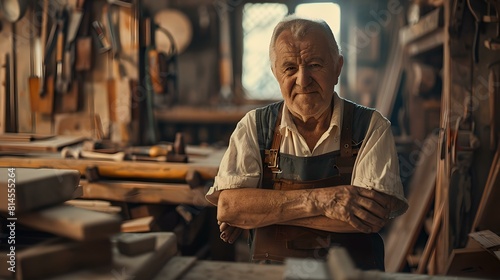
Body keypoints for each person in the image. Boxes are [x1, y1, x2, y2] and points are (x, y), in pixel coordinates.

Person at [205, 15, 408, 271]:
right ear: (275, 73)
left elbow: (371, 219)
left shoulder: (372, 126)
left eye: (315, 65)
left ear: (338, 67)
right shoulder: (254, 126)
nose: (303, 80)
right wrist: (325, 200)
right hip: (273, 275)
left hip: (351, 275)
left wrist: (261, 212)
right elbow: (229, 208)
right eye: (290, 68)